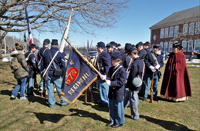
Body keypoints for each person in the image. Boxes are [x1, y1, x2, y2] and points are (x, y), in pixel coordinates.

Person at [102, 52, 126, 128]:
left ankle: (119, 121)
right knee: (111, 106)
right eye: (112, 60)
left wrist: (111, 83)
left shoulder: (122, 70)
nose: (112, 62)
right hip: (112, 91)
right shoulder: (112, 68)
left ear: (119, 61)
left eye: (114, 61)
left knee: (118, 107)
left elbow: (121, 82)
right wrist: (105, 77)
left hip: (118, 91)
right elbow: (109, 76)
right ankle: (112, 120)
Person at [40, 39, 68, 108]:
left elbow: (42, 64)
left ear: (51, 45)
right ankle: (63, 102)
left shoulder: (45, 52)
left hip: (47, 73)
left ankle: (51, 104)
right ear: (57, 45)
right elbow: (63, 65)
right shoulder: (59, 54)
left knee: (49, 89)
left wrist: (42, 71)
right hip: (56, 74)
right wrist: (63, 73)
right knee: (60, 88)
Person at [124, 47, 144, 120]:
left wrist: (129, 84)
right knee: (127, 97)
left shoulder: (135, 63)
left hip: (133, 84)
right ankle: (121, 110)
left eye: (130, 55)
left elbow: (132, 75)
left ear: (132, 54)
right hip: (137, 83)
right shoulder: (141, 61)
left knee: (133, 100)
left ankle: (135, 115)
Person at [96, 41, 111, 107]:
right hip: (100, 74)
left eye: (98, 47)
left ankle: (105, 102)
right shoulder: (101, 54)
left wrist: (106, 75)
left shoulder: (105, 54)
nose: (97, 48)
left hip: (104, 75)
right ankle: (101, 99)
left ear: (100, 47)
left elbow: (108, 66)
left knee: (104, 88)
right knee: (101, 88)